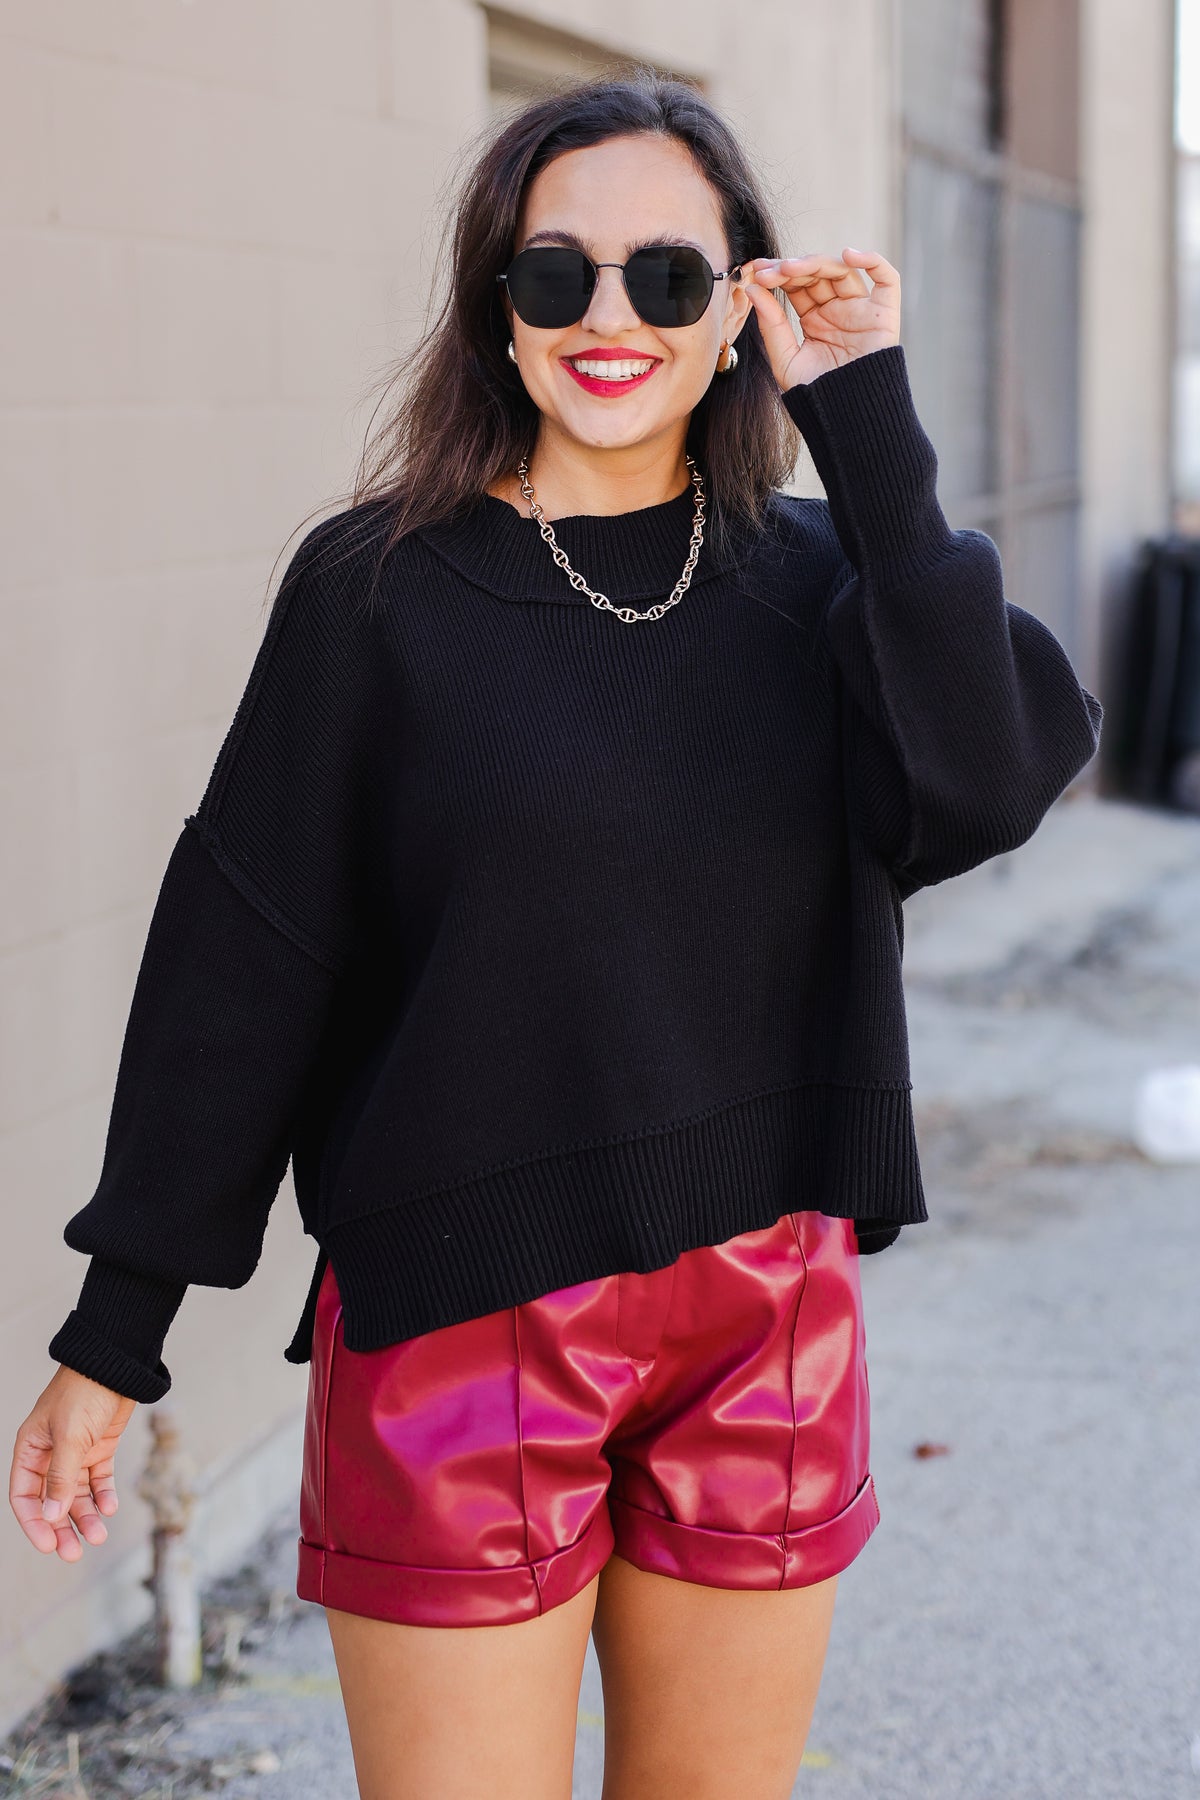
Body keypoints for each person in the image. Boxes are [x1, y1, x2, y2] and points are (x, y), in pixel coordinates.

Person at [10, 71, 1102, 1800]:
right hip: (463, 1319)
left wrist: (872, 437)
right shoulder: (377, 592)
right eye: (555, 275)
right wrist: (114, 1329)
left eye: (669, 277)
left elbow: (990, 775)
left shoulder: (828, 581)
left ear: (740, 302)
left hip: (768, 1310)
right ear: (492, 308)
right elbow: (247, 955)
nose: (611, 319)